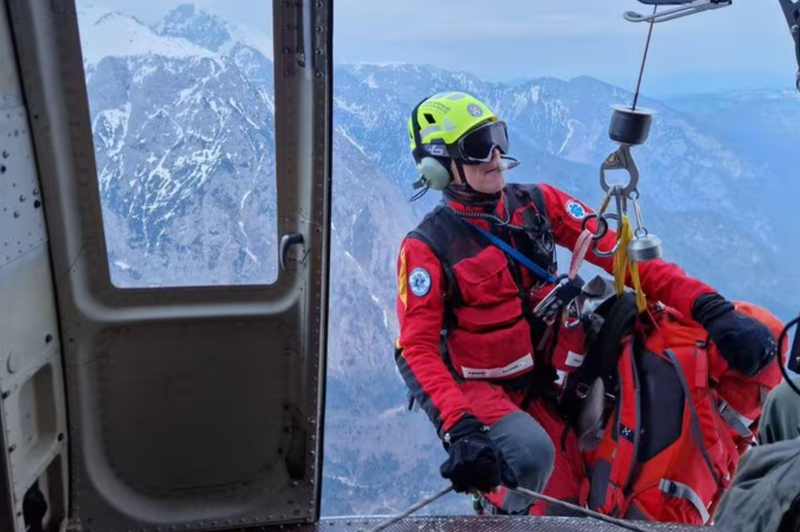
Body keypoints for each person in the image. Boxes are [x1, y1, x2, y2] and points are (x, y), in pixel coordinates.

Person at [393, 91, 780, 515]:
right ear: (438, 166)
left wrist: (713, 310)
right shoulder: (427, 249)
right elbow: (417, 350)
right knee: (540, 472)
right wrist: (459, 426)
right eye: (476, 146)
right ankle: (507, 507)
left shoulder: (536, 205)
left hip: (549, 375)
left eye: (497, 137)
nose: (495, 154)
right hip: (483, 392)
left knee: (694, 353)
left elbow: (627, 260)